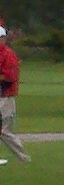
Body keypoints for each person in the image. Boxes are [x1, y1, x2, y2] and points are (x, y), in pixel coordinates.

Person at [0, 25, 32, 164]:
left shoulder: (8, 54)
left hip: (5, 96)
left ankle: (24, 158)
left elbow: (9, 77)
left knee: (4, 131)